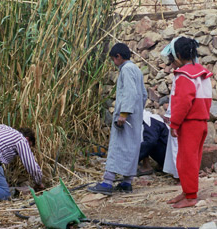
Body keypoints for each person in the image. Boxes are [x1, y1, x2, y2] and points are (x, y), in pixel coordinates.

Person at [88, 43, 147, 195]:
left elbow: (130, 93)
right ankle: (127, 182)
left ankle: (107, 182)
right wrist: (137, 111)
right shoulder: (136, 70)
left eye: (113, 59)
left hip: (126, 118)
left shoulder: (126, 70)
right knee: (131, 148)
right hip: (135, 117)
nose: (113, 63)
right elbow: (143, 95)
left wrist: (124, 114)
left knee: (118, 146)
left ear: (118, 57)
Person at [161, 37, 212, 208]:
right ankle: (187, 191)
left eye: (172, 58)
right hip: (201, 122)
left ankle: (190, 196)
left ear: (179, 56)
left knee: (185, 160)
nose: (171, 62)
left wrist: (174, 124)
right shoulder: (201, 72)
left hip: (189, 123)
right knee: (193, 159)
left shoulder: (184, 75)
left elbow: (182, 103)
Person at [138, 109, 178, 179]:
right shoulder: (153, 118)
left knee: (147, 142)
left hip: (170, 155)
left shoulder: (148, 120)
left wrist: (133, 161)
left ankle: (146, 166)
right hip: (168, 153)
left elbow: (150, 142)